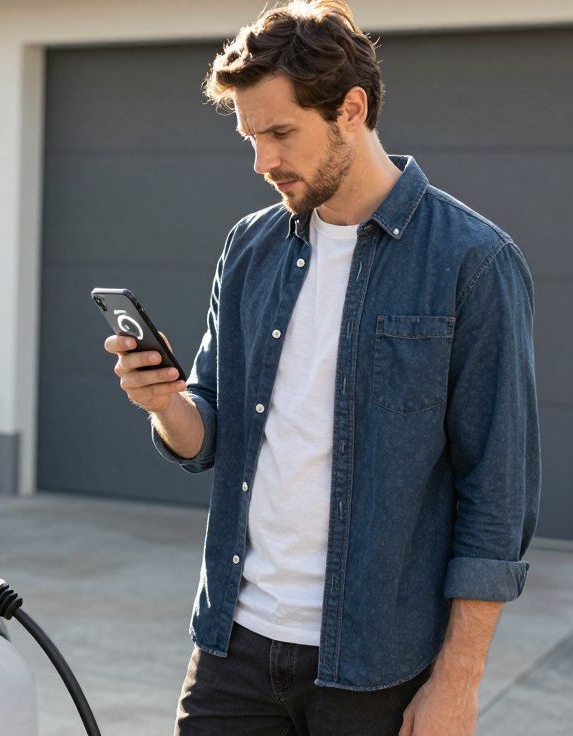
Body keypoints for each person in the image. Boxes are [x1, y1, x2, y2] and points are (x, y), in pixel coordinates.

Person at [102, 2, 540, 734]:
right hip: (233, 648)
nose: (262, 161)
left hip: (375, 667)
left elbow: (497, 496)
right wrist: (164, 403)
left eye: (279, 133)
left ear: (352, 109)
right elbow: (206, 431)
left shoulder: (473, 262)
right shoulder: (250, 248)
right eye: (250, 137)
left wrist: (457, 683)